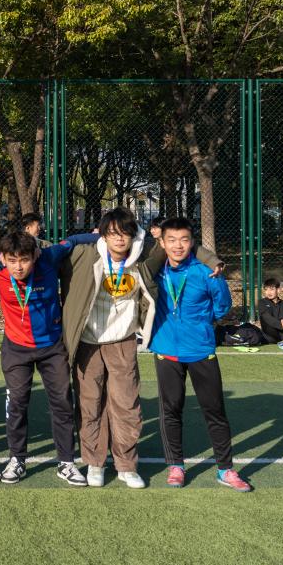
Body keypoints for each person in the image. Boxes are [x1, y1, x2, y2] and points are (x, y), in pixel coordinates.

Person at [60, 207, 220, 489]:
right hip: (87, 342)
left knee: (126, 405)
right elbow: (40, 252)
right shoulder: (84, 254)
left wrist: (212, 259)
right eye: (112, 233)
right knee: (90, 404)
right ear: (102, 235)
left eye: (125, 233)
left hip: (122, 341)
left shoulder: (144, 256)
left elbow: (178, 243)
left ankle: (126, 465)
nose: (119, 239)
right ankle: (95, 463)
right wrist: (73, 239)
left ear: (134, 235)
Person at [0, 231, 89, 486]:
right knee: (17, 403)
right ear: (2, 258)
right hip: (16, 349)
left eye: (24, 260)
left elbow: (73, 241)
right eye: (12, 260)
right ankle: (17, 459)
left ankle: (66, 462)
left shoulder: (49, 257)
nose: (18, 266)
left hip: (52, 348)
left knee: (62, 402)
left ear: (35, 255)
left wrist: (101, 234)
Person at [150, 217, 251, 491]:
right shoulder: (154, 271)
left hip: (200, 349)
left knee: (214, 410)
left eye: (184, 240)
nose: (178, 246)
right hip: (166, 350)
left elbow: (222, 307)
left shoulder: (207, 272)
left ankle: (225, 469)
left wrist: (201, 323)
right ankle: (176, 466)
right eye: (172, 240)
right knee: (171, 410)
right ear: (162, 243)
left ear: (192, 242)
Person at [257, 278, 283, 344]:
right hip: (269, 334)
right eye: (266, 289)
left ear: (278, 290)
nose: (268, 292)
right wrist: (281, 323)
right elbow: (268, 318)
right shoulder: (262, 302)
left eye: (271, 289)